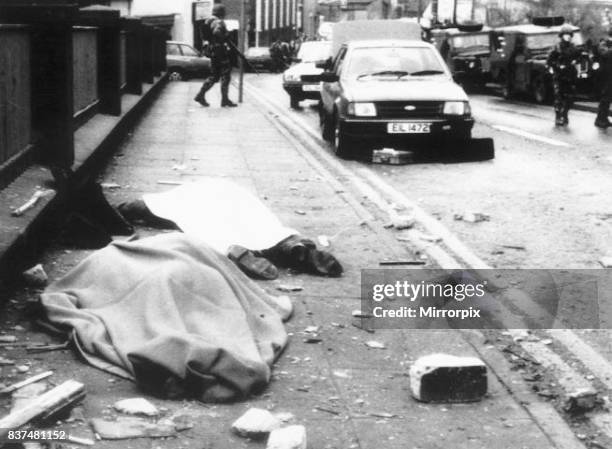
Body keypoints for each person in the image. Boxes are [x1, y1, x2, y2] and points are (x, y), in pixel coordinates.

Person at [194, 4, 237, 107]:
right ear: (221, 13)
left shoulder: (207, 21)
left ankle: (200, 95)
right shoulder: (219, 22)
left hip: (212, 51)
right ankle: (224, 100)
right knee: (226, 75)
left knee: (214, 76)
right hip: (220, 51)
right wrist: (226, 36)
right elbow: (217, 32)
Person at [546, 25, 581, 126]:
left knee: (570, 97)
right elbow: (549, 60)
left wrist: (575, 61)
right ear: (562, 36)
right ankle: (558, 116)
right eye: (566, 35)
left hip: (570, 75)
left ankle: (565, 113)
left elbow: (579, 57)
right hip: (559, 75)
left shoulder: (573, 48)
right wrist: (555, 66)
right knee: (559, 97)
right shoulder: (557, 48)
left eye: (569, 35)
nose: (568, 37)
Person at [595, 28, 612, 128]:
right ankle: (600, 119)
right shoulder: (603, 44)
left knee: (609, 98)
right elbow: (604, 53)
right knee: (605, 98)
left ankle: (604, 118)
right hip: (605, 75)